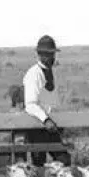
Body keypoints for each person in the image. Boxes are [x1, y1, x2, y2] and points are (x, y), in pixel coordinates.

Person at [21, 34, 70, 166]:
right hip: (37, 126)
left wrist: (58, 122)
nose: (51, 57)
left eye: (52, 54)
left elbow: (52, 100)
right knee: (39, 163)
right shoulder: (33, 74)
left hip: (51, 126)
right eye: (47, 54)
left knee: (64, 160)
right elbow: (30, 104)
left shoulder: (51, 72)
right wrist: (45, 119)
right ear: (39, 54)